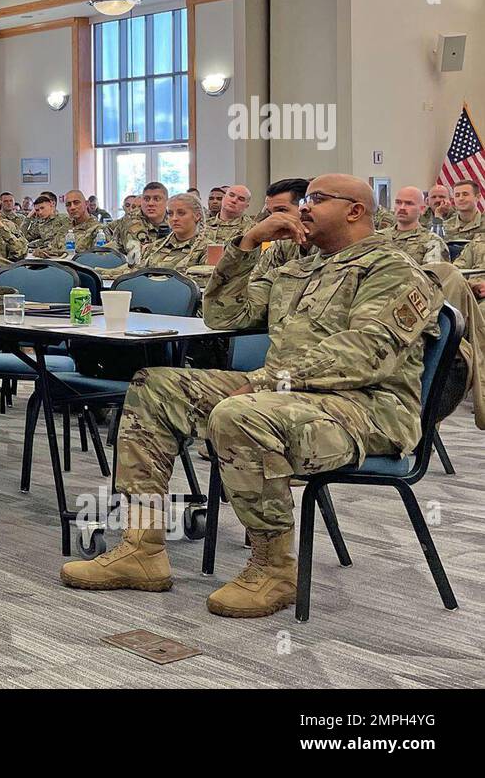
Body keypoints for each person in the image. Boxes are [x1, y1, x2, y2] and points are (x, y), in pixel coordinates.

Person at [62, 174, 441, 619]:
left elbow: (364, 354)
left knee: (240, 414)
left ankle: (274, 568)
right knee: (156, 387)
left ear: (355, 210)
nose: (302, 208)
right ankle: (141, 548)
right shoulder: (296, 264)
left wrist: (266, 380)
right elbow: (223, 315)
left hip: (367, 408)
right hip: (286, 395)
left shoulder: (391, 268)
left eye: (316, 200)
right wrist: (243, 248)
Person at [122, 192, 208, 280]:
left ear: (197, 216)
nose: (174, 218)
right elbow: (132, 272)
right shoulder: (155, 247)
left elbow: (205, 283)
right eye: (170, 214)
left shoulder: (207, 249)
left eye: (181, 213)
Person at [252, 177, 315, 275]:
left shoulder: (328, 245)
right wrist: (251, 240)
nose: (273, 219)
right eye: (270, 213)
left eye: (281, 210)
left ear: (304, 208)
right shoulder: (283, 244)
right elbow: (254, 282)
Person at [385, 186, 447, 265]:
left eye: (409, 203)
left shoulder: (432, 241)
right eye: (398, 202)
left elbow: (433, 274)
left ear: (422, 209)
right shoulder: (378, 237)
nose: (402, 207)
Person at [109, 182, 169, 261]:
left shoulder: (173, 218)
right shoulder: (131, 219)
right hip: (125, 268)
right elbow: (139, 255)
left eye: (156, 199)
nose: (150, 203)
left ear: (167, 202)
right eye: (146, 199)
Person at [33, 189, 100, 256]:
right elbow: (51, 248)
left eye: (76, 203)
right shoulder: (65, 228)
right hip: (56, 264)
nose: (72, 207)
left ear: (86, 204)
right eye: (68, 205)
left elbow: (99, 259)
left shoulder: (97, 229)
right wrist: (41, 252)